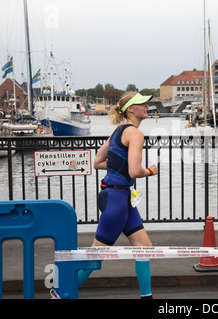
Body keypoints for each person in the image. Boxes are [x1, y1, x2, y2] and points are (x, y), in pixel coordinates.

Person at [77, 92, 158, 299]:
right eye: (142, 103)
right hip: (117, 200)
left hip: (120, 198)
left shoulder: (117, 132)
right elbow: (134, 171)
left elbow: (97, 163)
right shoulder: (135, 134)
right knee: (97, 255)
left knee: (144, 247)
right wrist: (150, 171)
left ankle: (146, 296)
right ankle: (60, 292)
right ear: (131, 109)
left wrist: (119, 169)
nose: (147, 106)